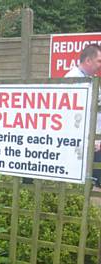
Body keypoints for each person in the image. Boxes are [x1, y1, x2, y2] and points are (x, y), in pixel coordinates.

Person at [65, 44, 101, 185]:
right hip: (89, 141)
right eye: (99, 61)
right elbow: (75, 115)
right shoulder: (74, 80)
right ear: (88, 61)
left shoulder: (89, 78)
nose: (100, 65)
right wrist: (92, 140)